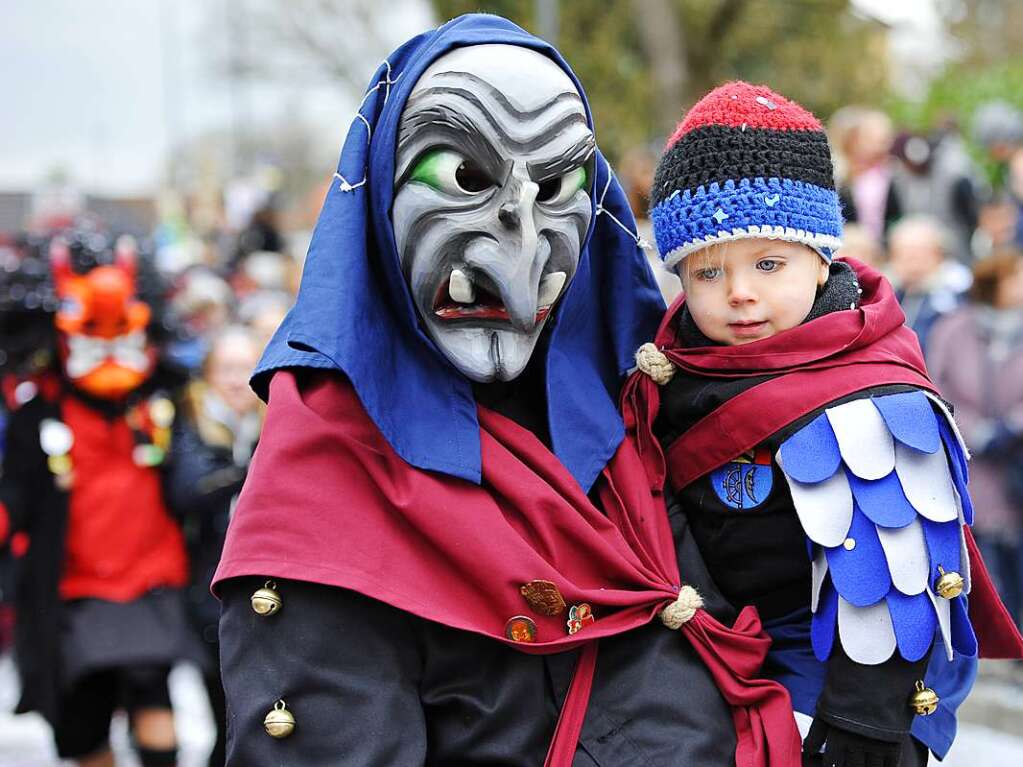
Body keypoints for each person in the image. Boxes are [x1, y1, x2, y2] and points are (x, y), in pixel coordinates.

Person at [212, 15, 804, 767]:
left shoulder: (632, 421)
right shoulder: (324, 481)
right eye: (463, 178)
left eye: (557, 187)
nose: (520, 249)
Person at [638, 81, 1023, 766]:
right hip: (697, 682)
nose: (739, 292)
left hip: (830, 706)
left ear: (820, 260)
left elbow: (897, 591)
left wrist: (861, 727)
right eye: (705, 271)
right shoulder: (662, 374)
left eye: (767, 263)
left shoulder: (869, 396)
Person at [0, 230, 194, 767]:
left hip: (151, 580)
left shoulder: (166, 400)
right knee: (85, 725)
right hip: (72, 589)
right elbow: (13, 494)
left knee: (154, 702)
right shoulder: (38, 413)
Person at [167, 326, 263, 767]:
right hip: (209, 593)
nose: (235, 380)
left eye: (244, 368)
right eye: (226, 369)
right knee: (224, 717)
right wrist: (244, 470)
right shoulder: (191, 424)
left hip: (264, 591)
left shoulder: (276, 423)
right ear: (208, 375)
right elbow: (186, 491)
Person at [928, 250, 1023, 629]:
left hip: (1015, 457)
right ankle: (987, 635)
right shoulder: (953, 328)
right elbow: (937, 385)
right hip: (969, 457)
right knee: (978, 551)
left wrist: (1013, 426)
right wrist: (972, 430)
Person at [886, 216, 970, 354]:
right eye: (904, 253)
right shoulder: (886, 295)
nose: (912, 261)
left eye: (920, 252)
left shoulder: (955, 296)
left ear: (939, 255)